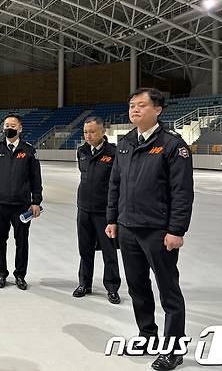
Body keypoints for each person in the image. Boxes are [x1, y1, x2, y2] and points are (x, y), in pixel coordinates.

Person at [106, 88, 194, 371]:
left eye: (141, 105)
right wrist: (112, 219)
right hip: (128, 228)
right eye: (132, 105)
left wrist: (177, 230)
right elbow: (115, 185)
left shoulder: (172, 145)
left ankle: (174, 348)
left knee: (168, 290)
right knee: (137, 287)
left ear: (158, 110)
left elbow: (182, 192)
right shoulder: (124, 143)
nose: (134, 110)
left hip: (158, 231)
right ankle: (147, 335)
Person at [0, 113, 43, 290]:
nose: (9, 128)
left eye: (13, 125)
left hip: (22, 206)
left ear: (20, 128)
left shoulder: (29, 151)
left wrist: (36, 201)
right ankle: (1, 273)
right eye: (7, 125)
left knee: (22, 242)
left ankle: (20, 275)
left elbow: (35, 178)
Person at [73, 116, 121, 304]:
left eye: (92, 132)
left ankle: (112, 287)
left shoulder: (114, 153)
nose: (88, 135)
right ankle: (84, 283)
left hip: (104, 212)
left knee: (109, 252)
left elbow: (117, 183)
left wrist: (114, 214)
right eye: (85, 132)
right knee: (85, 249)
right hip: (83, 209)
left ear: (103, 132)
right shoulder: (81, 151)